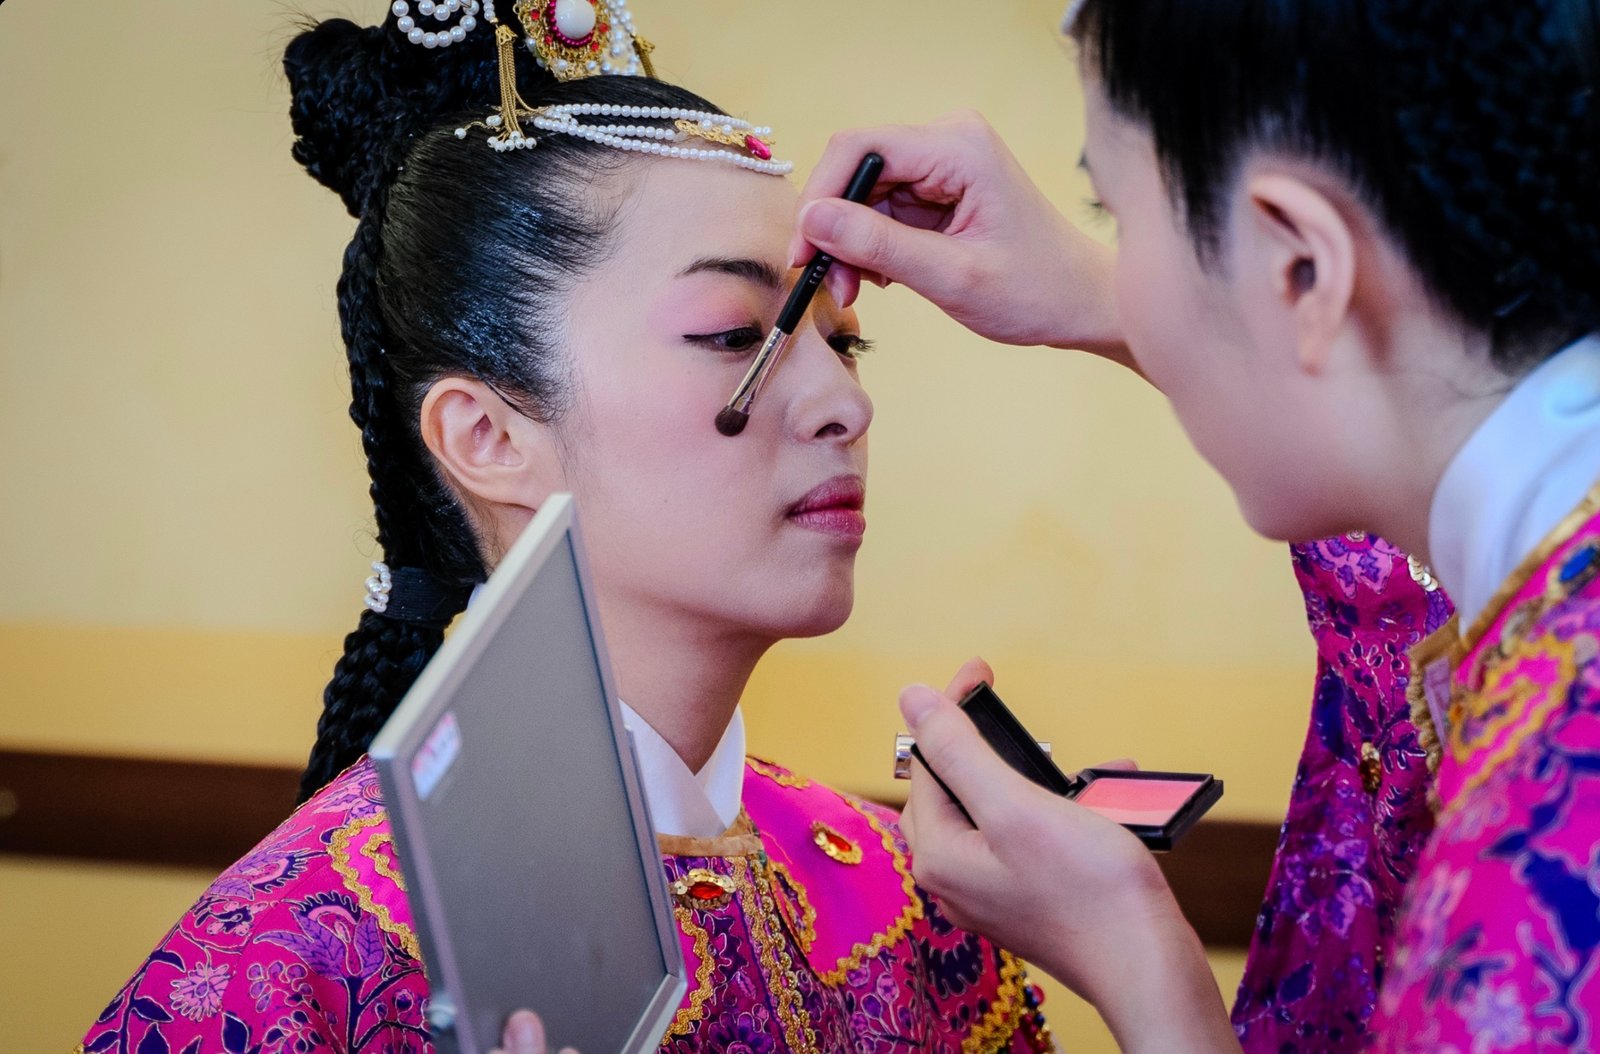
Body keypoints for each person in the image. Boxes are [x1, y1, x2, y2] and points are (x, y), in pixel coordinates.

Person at [76, 5, 1055, 1052]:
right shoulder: (289, 963)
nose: (844, 407)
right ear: (488, 436)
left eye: (845, 345)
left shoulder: (905, 895)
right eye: (736, 333)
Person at [787, 1, 1600, 1051]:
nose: (841, 408)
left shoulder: (1539, 866)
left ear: (1302, 266)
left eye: (1119, 218)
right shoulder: (1531, 578)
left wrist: (1134, 953)